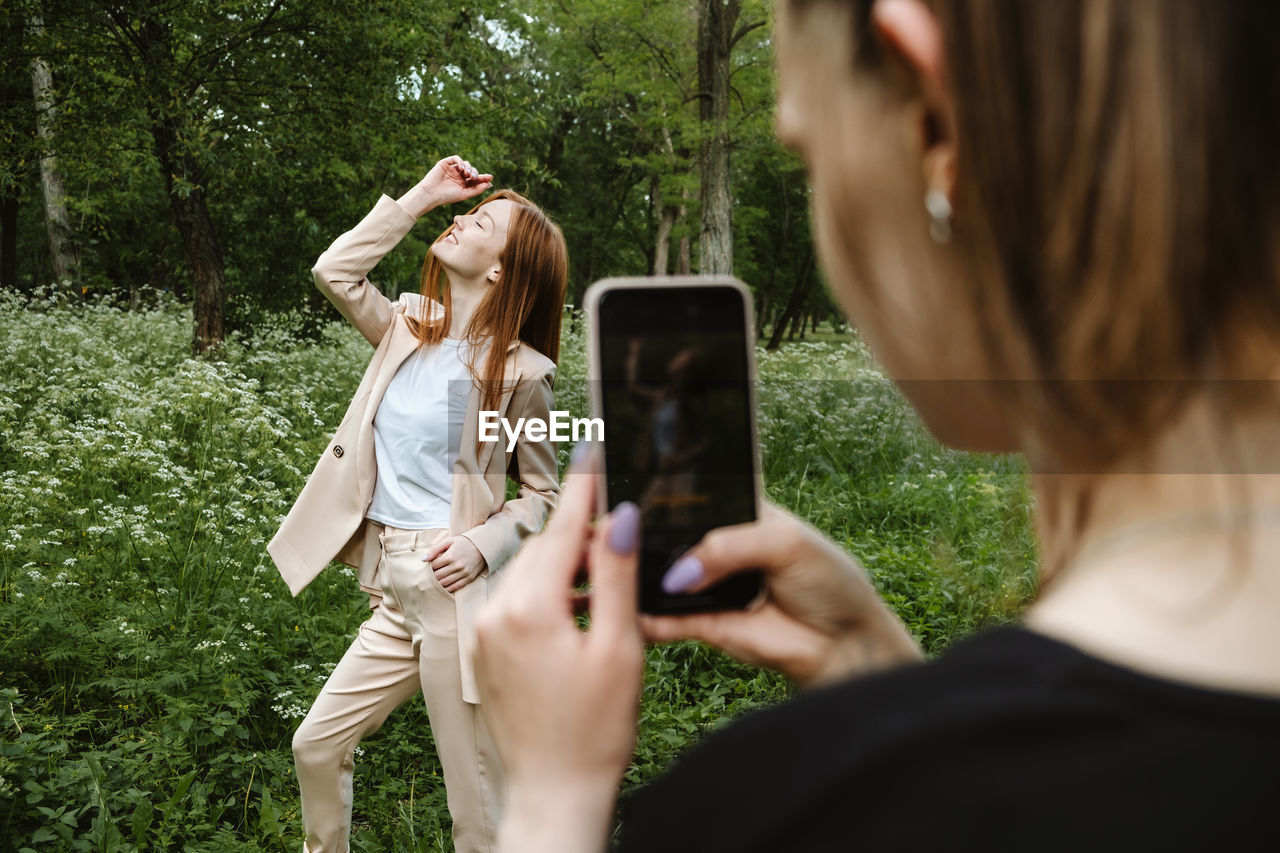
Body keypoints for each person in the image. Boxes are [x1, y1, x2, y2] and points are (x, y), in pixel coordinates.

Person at [471, 0, 1280, 850]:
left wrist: (553, 804)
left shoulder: (775, 811)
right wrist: (887, 679)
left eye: (808, 152)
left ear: (938, 122)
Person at [267, 154, 568, 853]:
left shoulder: (520, 374)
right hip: (394, 590)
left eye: (479, 221)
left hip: (454, 590)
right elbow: (334, 271)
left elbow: (543, 494)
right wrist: (424, 196)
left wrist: (479, 544)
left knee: (476, 802)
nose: (462, 220)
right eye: (465, 212)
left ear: (501, 269)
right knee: (315, 744)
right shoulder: (408, 327)